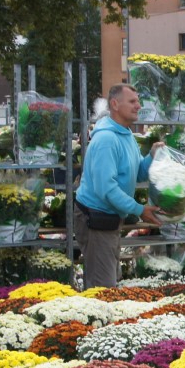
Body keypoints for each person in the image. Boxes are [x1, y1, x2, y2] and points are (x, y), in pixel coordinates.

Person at [75, 84, 161, 288]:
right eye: (132, 101)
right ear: (115, 104)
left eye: (138, 101)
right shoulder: (106, 139)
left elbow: (137, 172)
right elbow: (107, 190)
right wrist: (139, 210)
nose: (138, 106)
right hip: (96, 218)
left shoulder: (126, 135)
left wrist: (151, 156)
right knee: (103, 287)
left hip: (109, 219)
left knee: (109, 280)